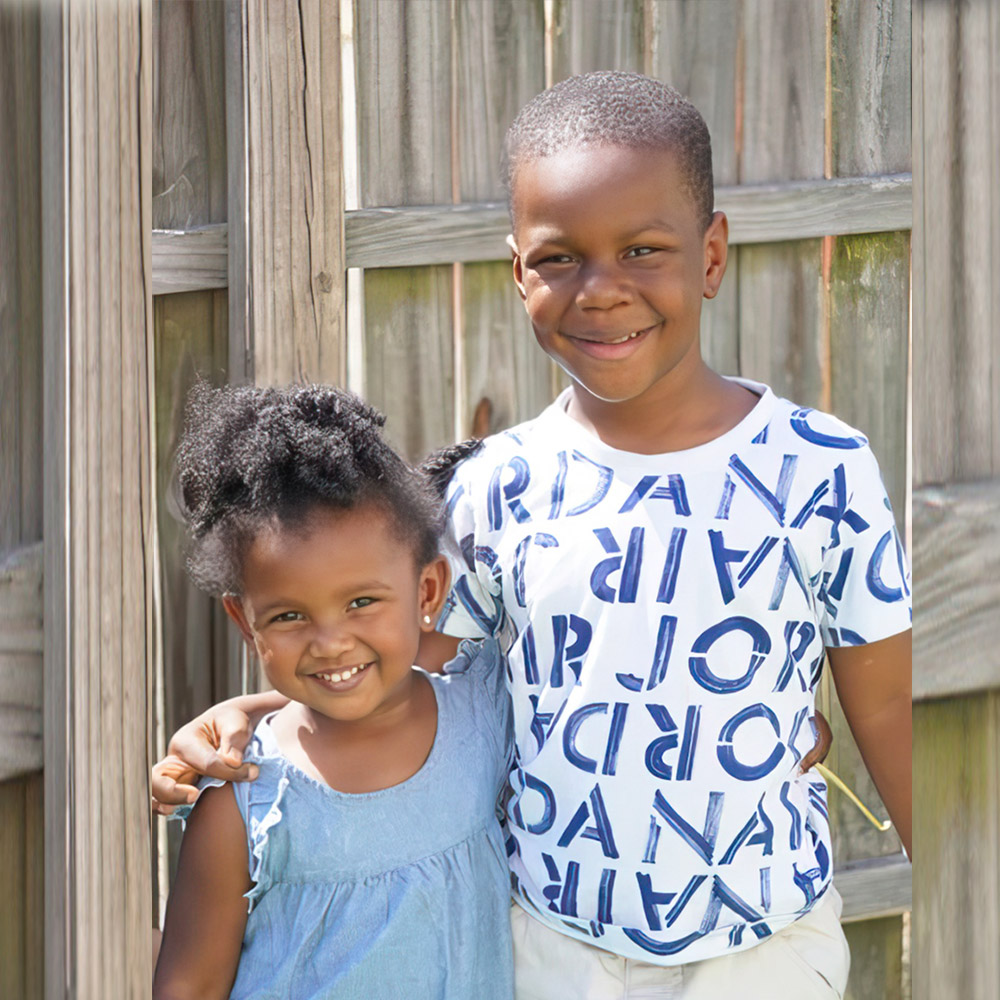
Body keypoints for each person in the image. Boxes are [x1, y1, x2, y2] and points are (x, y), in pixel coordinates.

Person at [154, 73, 910, 999]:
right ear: (518, 272)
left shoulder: (822, 469)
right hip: (555, 952)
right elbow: (402, 679)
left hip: (765, 948)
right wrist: (262, 716)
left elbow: (891, 723)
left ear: (710, 254)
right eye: (559, 259)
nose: (601, 291)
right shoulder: (495, 488)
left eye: (642, 249)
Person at [152, 383, 514, 1000]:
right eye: (289, 617)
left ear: (428, 593)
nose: (330, 643)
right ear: (246, 623)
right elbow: (188, 987)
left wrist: (247, 704)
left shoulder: (483, 709)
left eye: (361, 603)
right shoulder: (243, 803)